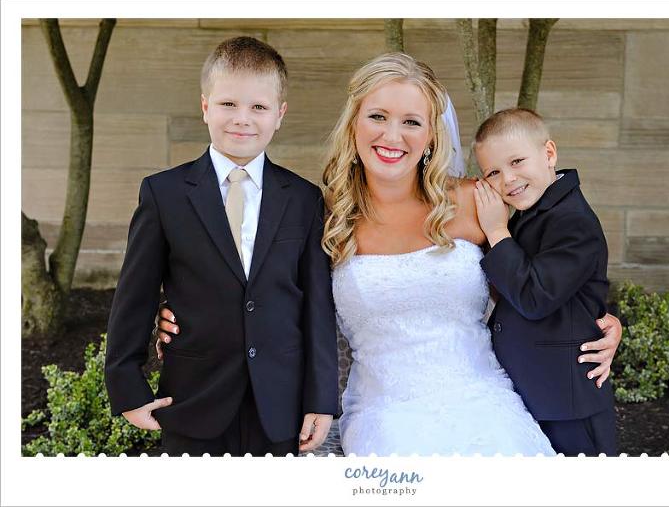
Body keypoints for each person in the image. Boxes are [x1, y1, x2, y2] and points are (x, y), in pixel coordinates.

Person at [156, 52, 622, 456]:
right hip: (385, 411)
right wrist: (185, 315)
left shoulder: (478, 202)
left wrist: (603, 324)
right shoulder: (319, 215)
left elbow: (548, 276)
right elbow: (258, 291)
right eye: (377, 116)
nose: (392, 136)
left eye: (412, 121)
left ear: (432, 135)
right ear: (354, 122)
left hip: (486, 399)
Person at [104, 36, 338, 457]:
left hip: (278, 404)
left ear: (280, 114)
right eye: (228, 104)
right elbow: (134, 295)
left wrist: (321, 399)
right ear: (205, 106)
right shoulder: (165, 194)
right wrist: (126, 384)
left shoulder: (304, 199)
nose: (243, 119)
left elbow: (317, 306)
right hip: (193, 398)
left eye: (259, 107)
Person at [473, 108, 617, 455]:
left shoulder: (573, 221)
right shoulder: (532, 212)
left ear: (549, 153)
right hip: (533, 394)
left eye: (517, 161)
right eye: (493, 172)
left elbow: (536, 296)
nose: (507, 179)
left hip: (568, 403)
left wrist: (496, 231)